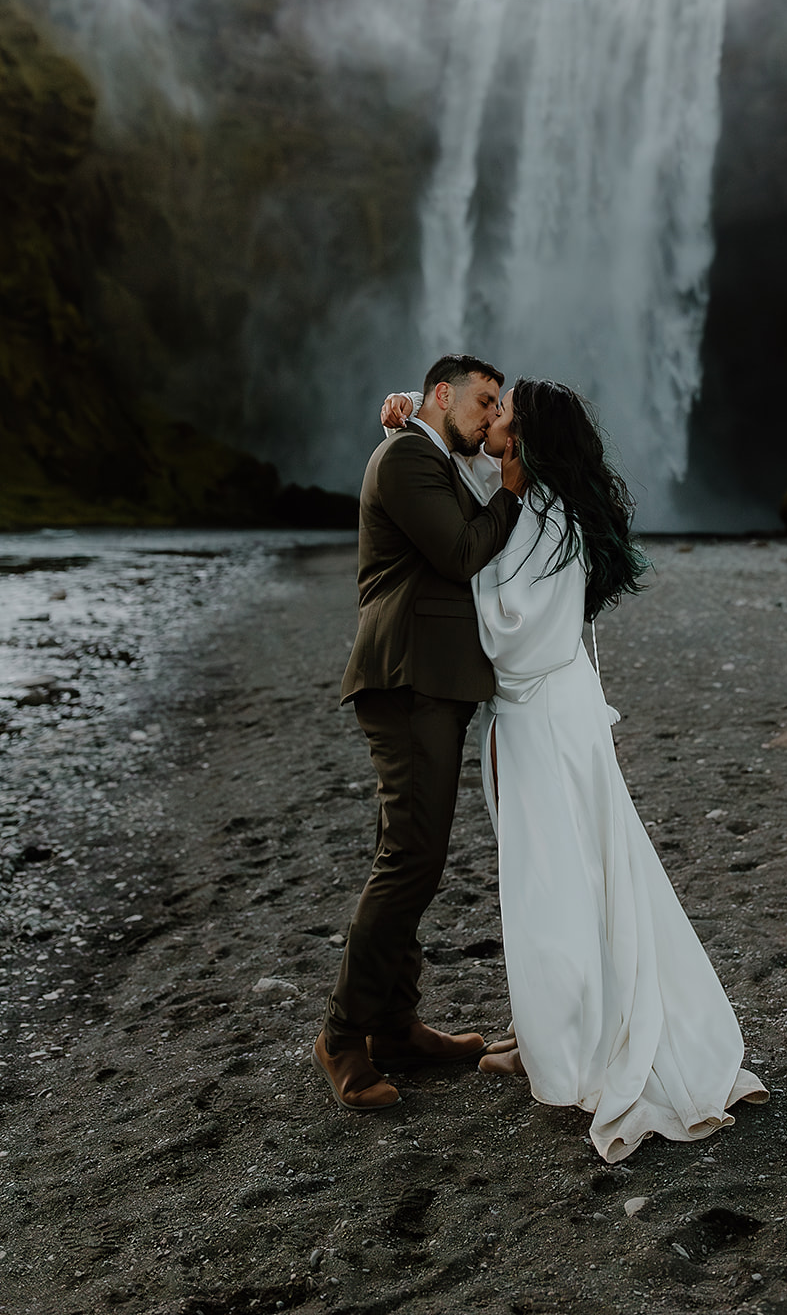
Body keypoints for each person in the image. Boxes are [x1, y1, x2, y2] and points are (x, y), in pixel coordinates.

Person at [385, 379, 768, 1162]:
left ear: (524, 442)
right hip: (546, 719)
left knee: (553, 885)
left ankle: (568, 1050)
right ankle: (547, 1031)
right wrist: (408, 410)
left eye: (504, 416)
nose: (490, 421)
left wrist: (466, 618)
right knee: (569, 877)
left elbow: (517, 639)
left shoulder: (546, 514)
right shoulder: (532, 498)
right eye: (488, 408)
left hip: (542, 721)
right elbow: (461, 476)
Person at [313, 355, 525, 1112]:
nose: (489, 412)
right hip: (406, 679)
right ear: (441, 394)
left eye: (497, 402)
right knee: (411, 859)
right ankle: (342, 1036)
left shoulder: (432, 451)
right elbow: (462, 551)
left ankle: (397, 1026)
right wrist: (512, 489)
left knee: (410, 854)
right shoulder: (406, 454)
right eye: (482, 399)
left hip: (429, 680)